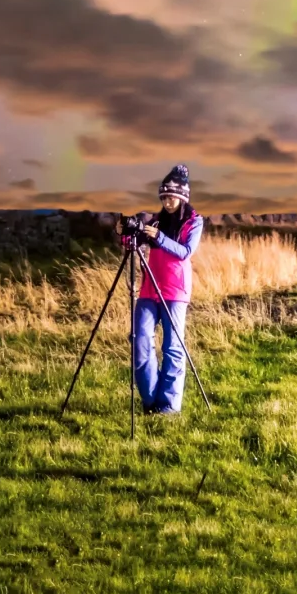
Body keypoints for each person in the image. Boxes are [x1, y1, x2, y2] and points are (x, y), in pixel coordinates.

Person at [119, 164, 204, 416]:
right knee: (140, 341)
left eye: (172, 197)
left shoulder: (194, 221)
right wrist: (125, 235)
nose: (167, 202)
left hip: (175, 291)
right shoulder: (155, 221)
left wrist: (159, 238)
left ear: (182, 197)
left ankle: (168, 406)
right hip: (148, 290)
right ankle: (150, 400)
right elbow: (137, 243)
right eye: (164, 197)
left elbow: (186, 251)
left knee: (172, 348)